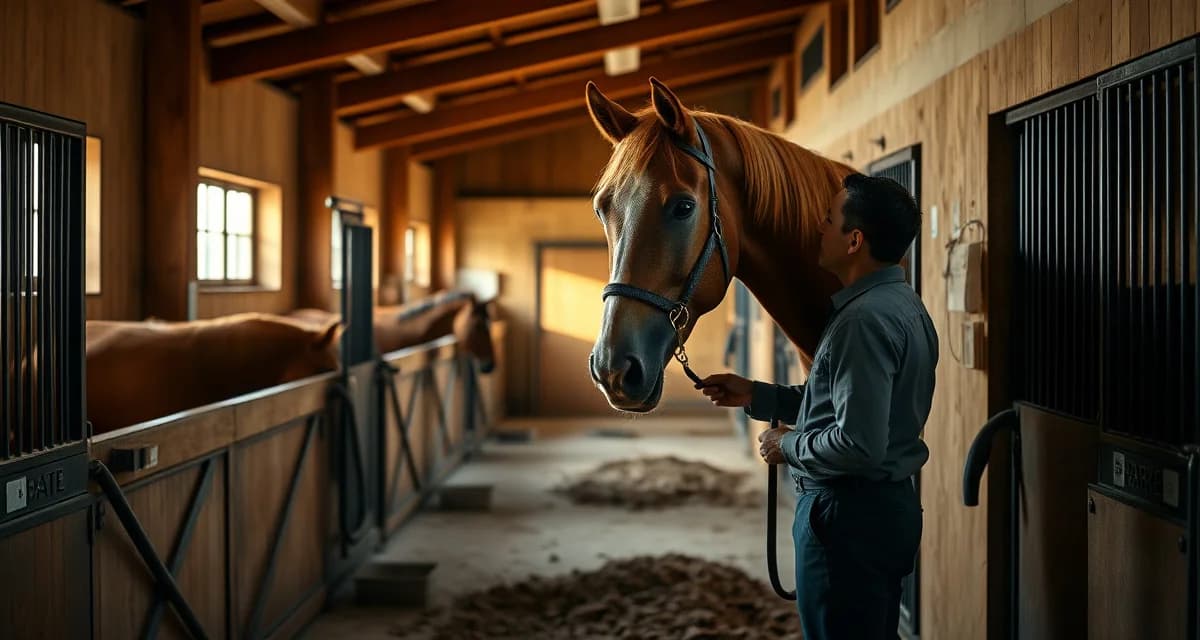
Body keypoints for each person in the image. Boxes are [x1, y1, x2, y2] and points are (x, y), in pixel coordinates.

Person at [698, 173, 937, 640]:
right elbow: (849, 404)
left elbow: (858, 443)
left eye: (828, 221)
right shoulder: (901, 305)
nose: (818, 229)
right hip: (879, 511)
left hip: (845, 517)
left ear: (854, 240)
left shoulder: (862, 322)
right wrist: (757, 394)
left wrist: (787, 445)